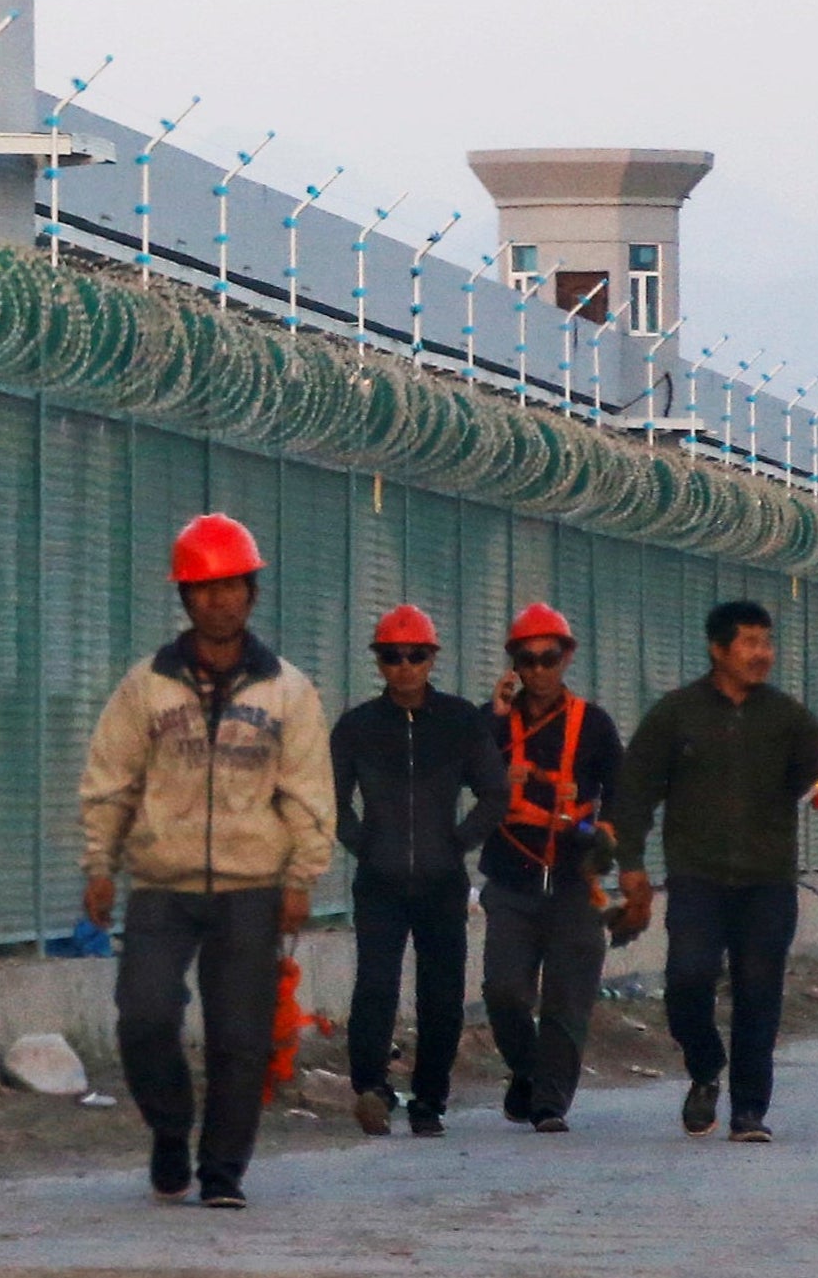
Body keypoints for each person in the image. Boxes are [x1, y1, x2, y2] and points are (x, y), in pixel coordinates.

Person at [80, 511, 335, 1210]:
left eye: (230, 586)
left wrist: (298, 876)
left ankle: (222, 1170)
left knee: (240, 1036)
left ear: (251, 593)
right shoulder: (146, 687)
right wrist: (98, 863)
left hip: (252, 884)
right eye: (202, 587)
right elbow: (110, 777)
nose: (217, 600)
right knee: (143, 1013)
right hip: (161, 882)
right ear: (184, 598)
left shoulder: (287, 690)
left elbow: (307, 792)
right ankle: (169, 1128)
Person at [613, 597, 818, 1144]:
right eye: (749, 643)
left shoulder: (786, 716)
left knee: (758, 992)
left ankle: (750, 1111)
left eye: (766, 642)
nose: (761, 654)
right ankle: (704, 1066)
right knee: (687, 980)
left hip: (767, 881)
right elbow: (635, 793)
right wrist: (629, 864)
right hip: (697, 879)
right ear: (717, 649)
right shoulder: (676, 714)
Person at [328, 603, 506, 1138]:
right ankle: (371, 1090)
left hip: (441, 882)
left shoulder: (458, 722)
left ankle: (430, 1099)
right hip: (379, 883)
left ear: (431, 660)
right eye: (391, 656)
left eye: (415, 656)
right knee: (375, 987)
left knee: (442, 992)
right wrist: (366, 846)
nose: (404, 666)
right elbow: (331, 801)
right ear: (378, 662)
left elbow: (494, 790)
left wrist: (459, 842)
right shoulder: (358, 727)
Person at [478, 601, 622, 1135]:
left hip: (573, 882)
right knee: (504, 991)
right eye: (528, 660)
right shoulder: (494, 722)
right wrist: (493, 716)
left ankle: (549, 1102)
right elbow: (463, 767)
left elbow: (622, 791)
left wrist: (609, 838)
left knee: (567, 997)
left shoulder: (594, 726)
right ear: (514, 664)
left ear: (566, 658)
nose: (539, 670)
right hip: (511, 881)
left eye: (549, 658)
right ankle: (530, 1071)